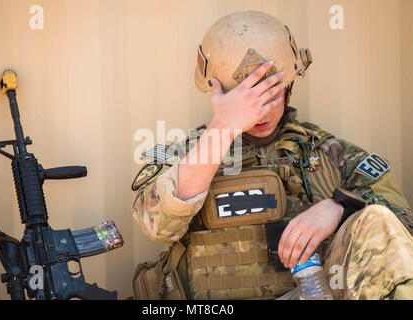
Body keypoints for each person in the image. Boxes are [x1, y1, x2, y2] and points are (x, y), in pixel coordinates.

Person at [131, 11, 413, 300]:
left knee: (376, 219)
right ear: (218, 93)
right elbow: (157, 225)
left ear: (289, 85)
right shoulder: (185, 155)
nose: (262, 111)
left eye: (272, 93)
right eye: (247, 98)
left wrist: (340, 208)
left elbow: (400, 226)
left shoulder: (331, 155)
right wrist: (223, 128)